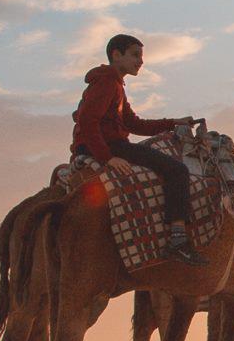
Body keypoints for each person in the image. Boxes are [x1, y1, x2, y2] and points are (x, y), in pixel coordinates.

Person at [71, 33, 205, 266]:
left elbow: (134, 124)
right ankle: (178, 239)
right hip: (108, 147)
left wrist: (174, 123)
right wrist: (107, 158)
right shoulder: (106, 82)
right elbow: (87, 121)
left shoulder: (115, 85)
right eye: (135, 55)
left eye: (141, 56)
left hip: (108, 144)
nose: (140, 61)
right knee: (177, 171)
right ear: (116, 55)